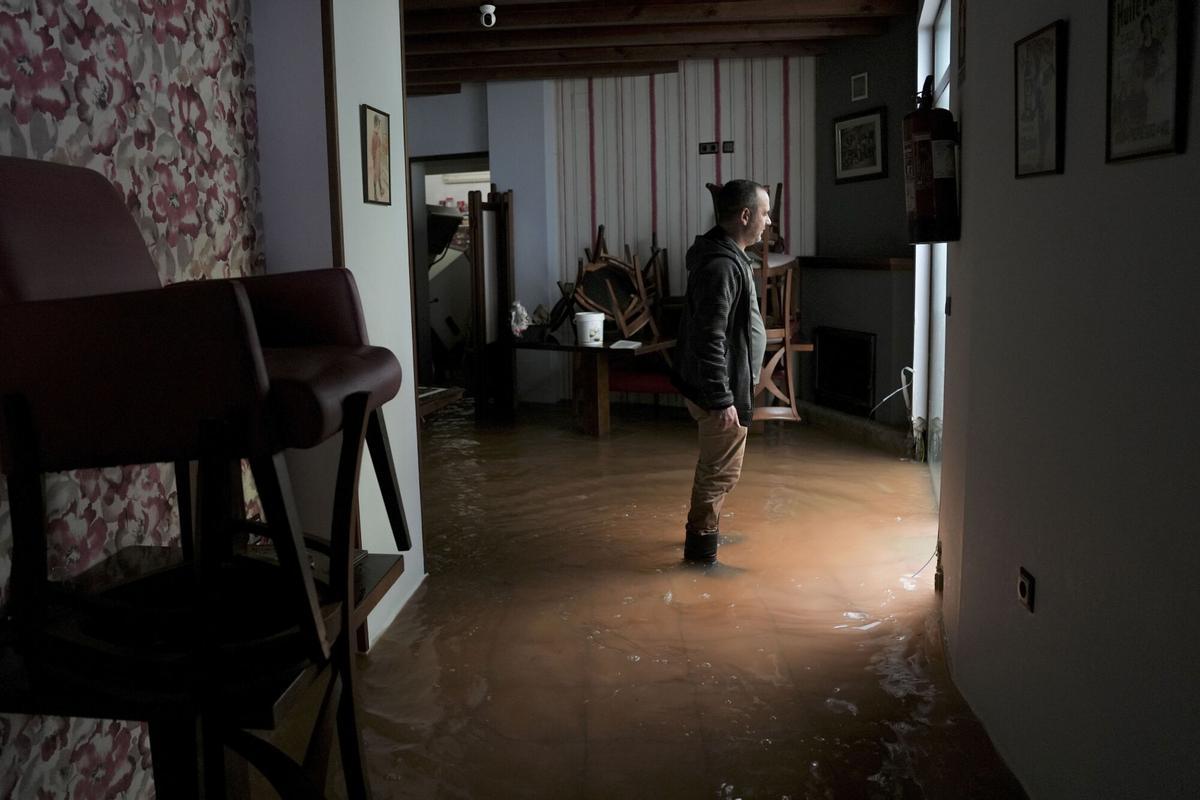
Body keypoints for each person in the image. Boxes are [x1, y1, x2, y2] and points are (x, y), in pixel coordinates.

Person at [671, 179, 769, 563]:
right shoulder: (721, 265)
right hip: (718, 392)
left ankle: (704, 535)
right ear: (745, 216)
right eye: (764, 212)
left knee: (716, 468)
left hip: (719, 386)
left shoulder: (726, 255)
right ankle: (700, 557)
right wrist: (721, 398)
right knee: (718, 473)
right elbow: (708, 337)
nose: (768, 220)